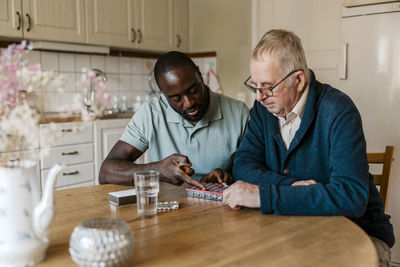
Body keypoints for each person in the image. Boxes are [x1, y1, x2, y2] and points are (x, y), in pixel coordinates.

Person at [222, 29, 394, 266]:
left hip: (360, 234)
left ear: (299, 80)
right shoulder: (264, 110)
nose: (260, 97)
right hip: (293, 227)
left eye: (268, 86)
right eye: (256, 86)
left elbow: (351, 197)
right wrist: (291, 186)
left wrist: (265, 195)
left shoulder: (338, 110)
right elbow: (243, 165)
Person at [99, 51, 249, 190]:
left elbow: (252, 167)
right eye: (176, 98)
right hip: (167, 210)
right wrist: (157, 170)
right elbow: (106, 172)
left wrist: (225, 177)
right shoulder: (151, 113)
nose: (189, 103)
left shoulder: (238, 113)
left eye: (194, 90)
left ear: (200, 75)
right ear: (163, 94)